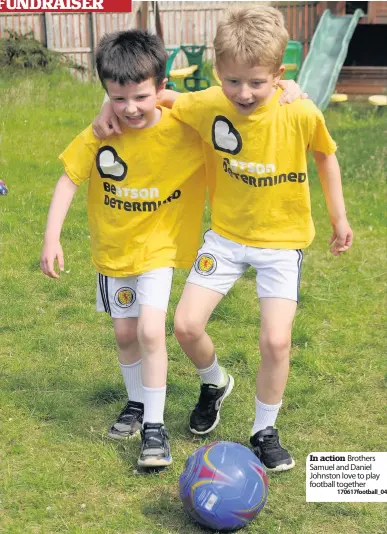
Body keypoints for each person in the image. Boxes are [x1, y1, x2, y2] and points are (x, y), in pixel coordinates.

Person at [91, 8, 332, 473]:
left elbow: (324, 153)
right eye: (233, 82)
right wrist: (106, 106)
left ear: (277, 77)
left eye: (257, 83)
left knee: (276, 341)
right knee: (184, 327)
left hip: (281, 243)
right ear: (219, 74)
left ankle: (265, 430)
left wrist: (339, 220)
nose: (244, 93)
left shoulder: (294, 107)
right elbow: (149, 96)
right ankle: (214, 381)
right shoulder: (206, 104)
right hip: (224, 239)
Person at [40, 29, 207, 468]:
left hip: (160, 250)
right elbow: (68, 178)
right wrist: (52, 237)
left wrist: (286, 87)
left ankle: (155, 429)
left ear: (162, 87)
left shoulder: (186, 130)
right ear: (106, 94)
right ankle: (136, 404)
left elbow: (232, 105)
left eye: (141, 96)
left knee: (152, 331)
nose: (130, 108)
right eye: (117, 97)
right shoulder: (101, 132)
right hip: (113, 254)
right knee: (125, 335)